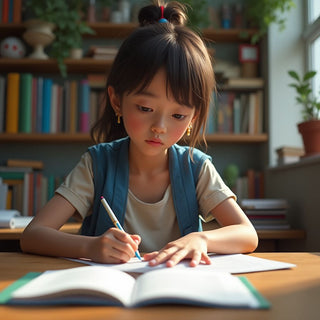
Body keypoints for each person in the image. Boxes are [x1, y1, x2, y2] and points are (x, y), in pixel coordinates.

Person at [20, 0, 258, 267]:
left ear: (195, 117)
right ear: (117, 101)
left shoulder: (196, 168)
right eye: (145, 108)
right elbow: (33, 236)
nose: (160, 126)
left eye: (178, 115)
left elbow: (247, 234)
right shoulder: (97, 165)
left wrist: (201, 240)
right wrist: (90, 246)